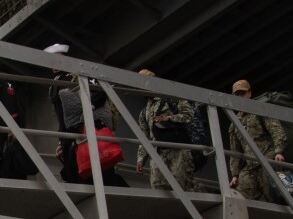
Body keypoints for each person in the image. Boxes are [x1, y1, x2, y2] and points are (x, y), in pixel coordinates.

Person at [46, 44, 126, 187]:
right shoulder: (53, 86)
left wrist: (88, 108)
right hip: (70, 136)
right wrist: (61, 141)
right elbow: (61, 116)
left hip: (87, 130)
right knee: (75, 175)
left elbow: (100, 92)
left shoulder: (76, 75)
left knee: (101, 171)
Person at [134, 69, 197, 191]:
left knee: (183, 188)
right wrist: (141, 159)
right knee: (159, 189)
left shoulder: (170, 98)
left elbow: (189, 115)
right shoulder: (144, 112)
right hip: (158, 155)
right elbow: (145, 137)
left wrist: (169, 118)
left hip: (178, 152)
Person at [226, 79, 287, 201]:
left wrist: (279, 151)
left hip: (267, 156)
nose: (239, 97)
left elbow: (276, 130)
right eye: (236, 95)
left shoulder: (260, 110)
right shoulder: (234, 123)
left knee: (272, 193)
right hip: (249, 163)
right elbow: (235, 151)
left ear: (249, 93)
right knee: (241, 194)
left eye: (242, 94)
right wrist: (235, 175)